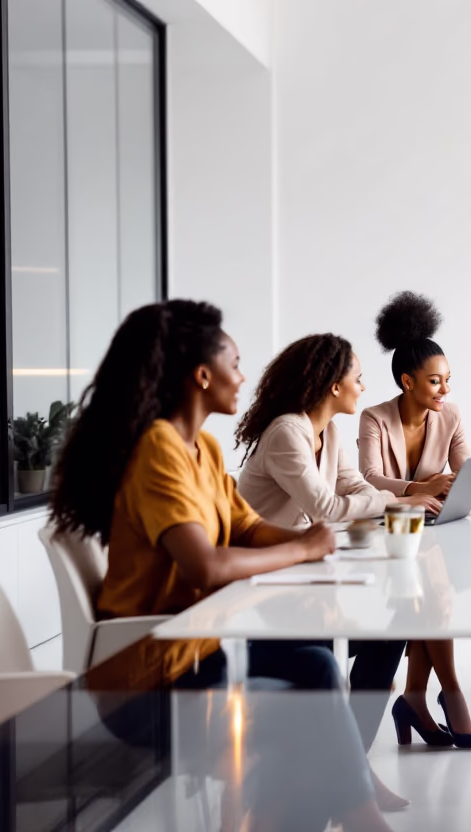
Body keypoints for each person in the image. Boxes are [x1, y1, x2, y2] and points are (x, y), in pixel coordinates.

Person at [49, 300, 395, 829]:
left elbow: (249, 529)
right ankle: (357, 818)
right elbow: (205, 567)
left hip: (199, 654)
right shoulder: (158, 450)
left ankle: (353, 815)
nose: (243, 377)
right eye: (234, 363)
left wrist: (317, 541)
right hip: (151, 681)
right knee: (307, 715)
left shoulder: (203, 449)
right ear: (202, 375)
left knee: (317, 665)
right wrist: (303, 549)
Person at [234, 333, 438, 756]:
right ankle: (347, 765)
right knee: (381, 633)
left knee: (394, 631)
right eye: (358, 379)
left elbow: (355, 487)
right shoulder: (287, 432)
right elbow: (326, 507)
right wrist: (396, 501)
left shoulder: (327, 431)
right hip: (263, 587)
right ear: (333, 386)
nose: (363, 387)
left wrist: (393, 502)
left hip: (301, 574)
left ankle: (352, 759)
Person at [357, 291, 471, 749]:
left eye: (448, 380)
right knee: (435, 598)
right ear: (407, 381)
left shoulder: (450, 415)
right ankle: (448, 696)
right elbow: (369, 478)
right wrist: (420, 488)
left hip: (434, 531)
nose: (445, 390)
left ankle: (416, 696)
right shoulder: (374, 418)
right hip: (386, 533)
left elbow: (467, 467)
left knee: (432, 596)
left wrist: (457, 483)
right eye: (435, 381)